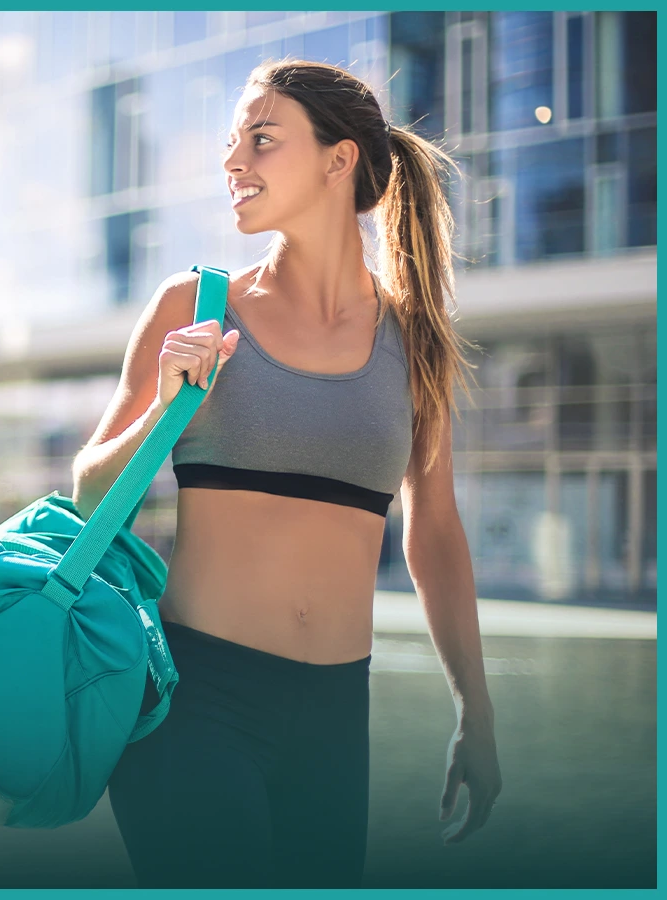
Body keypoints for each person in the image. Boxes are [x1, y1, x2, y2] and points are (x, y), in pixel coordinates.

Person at [72, 59, 502, 889]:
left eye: (263, 141)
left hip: (338, 717)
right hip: (195, 702)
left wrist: (474, 714)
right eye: (233, 144)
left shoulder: (415, 341)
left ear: (339, 160)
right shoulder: (192, 307)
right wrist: (170, 410)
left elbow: (436, 534)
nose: (235, 163)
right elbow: (90, 492)